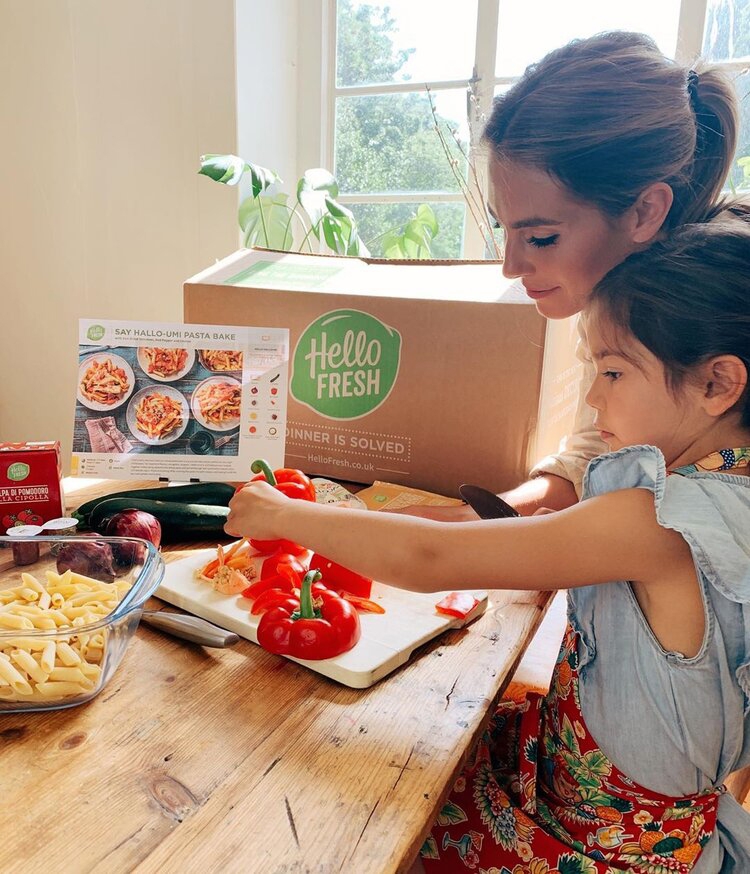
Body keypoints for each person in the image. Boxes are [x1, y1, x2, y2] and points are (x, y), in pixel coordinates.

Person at [226, 219, 750, 872]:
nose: (592, 397)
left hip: (591, 850)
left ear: (717, 384)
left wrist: (282, 513)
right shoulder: (731, 500)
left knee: (343, 815)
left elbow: (428, 562)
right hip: (667, 830)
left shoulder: (657, 521)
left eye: (613, 372)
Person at [395, 30, 741, 520]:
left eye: (540, 238)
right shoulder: (618, 301)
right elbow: (591, 458)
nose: (511, 266)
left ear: (645, 211)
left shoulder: (700, 321)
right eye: (504, 230)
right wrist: (478, 520)